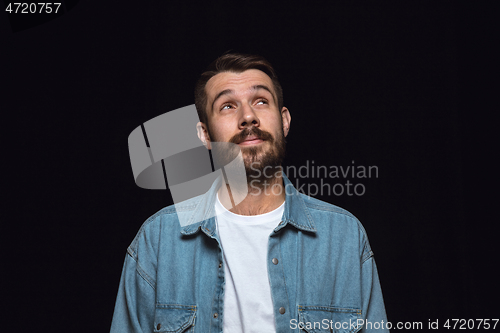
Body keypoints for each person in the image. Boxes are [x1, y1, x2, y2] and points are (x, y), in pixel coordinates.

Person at [110, 53, 389, 332]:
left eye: (260, 101)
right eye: (228, 106)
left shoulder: (344, 237)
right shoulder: (157, 240)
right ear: (205, 135)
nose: (248, 117)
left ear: (285, 121)